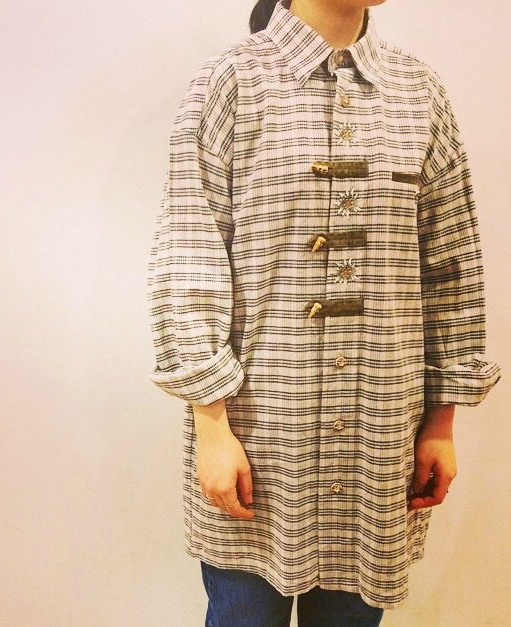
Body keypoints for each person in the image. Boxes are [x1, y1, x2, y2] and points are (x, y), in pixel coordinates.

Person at [146, 0, 502, 624]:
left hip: (379, 439)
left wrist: (441, 421)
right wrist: (211, 426)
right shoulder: (232, 83)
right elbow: (190, 256)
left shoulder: (417, 91)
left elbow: (450, 264)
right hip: (257, 437)